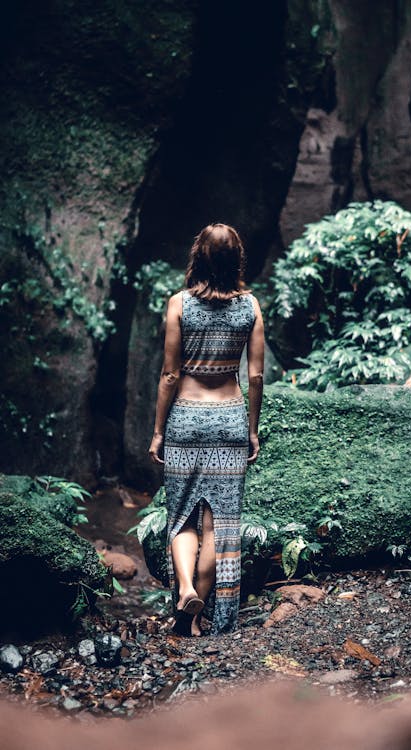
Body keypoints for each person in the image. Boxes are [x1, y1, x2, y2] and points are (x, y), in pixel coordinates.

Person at [148, 223, 265, 637]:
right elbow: (255, 378)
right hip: (230, 419)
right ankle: (193, 617)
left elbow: (168, 375)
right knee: (220, 525)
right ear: (237, 259)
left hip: (186, 420)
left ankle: (183, 591)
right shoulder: (250, 307)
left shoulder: (179, 304)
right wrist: (251, 430)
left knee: (181, 517)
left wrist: (159, 430)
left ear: (198, 256)